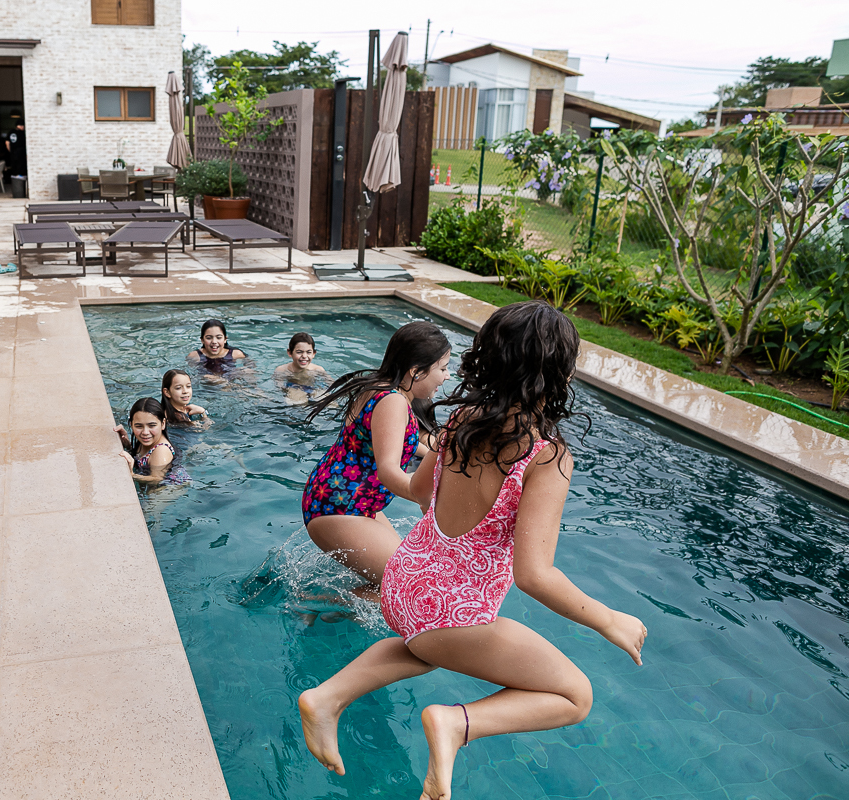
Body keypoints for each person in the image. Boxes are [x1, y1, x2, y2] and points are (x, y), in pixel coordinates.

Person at [297, 301, 648, 799]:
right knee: (574, 695)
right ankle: (454, 725)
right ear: (557, 373)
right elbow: (534, 575)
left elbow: (421, 491)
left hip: (403, 582)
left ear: (487, 359)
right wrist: (610, 619)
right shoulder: (545, 455)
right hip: (451, 610)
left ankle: (328, 697)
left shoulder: (461, 418)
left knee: (425, 647)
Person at [301, 321, 452, 588]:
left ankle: (328, 609)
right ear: (416, 371)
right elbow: (388, 471)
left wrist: (436, 453)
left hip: (343, 500)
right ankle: (317, 605)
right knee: (406, 586)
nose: (447, 376)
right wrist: (431, 497)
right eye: (442, 368)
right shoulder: (393, 401)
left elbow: (387, 440)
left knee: (405, 576)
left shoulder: (381, 388)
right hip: (342, 506)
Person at [115, 398, 191, 486]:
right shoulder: (146, 441)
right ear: (131, 424)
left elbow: (157, 479)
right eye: (139, 426)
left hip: (169, 488)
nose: (145, 432)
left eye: (152, 425)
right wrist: (126, 443)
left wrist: (131, 474)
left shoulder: (161, 450)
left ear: (163, 424)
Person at [273, 332, 329, 404]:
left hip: (314, 388)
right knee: (299, 403)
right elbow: (278, 387)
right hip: (294, 388)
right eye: (299, 352)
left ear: (313, 354)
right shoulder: (282, 370)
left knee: (331, 404)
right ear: (290, 353)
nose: (304, 356)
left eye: (308, 352)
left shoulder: (318, 369)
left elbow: (331, 383)